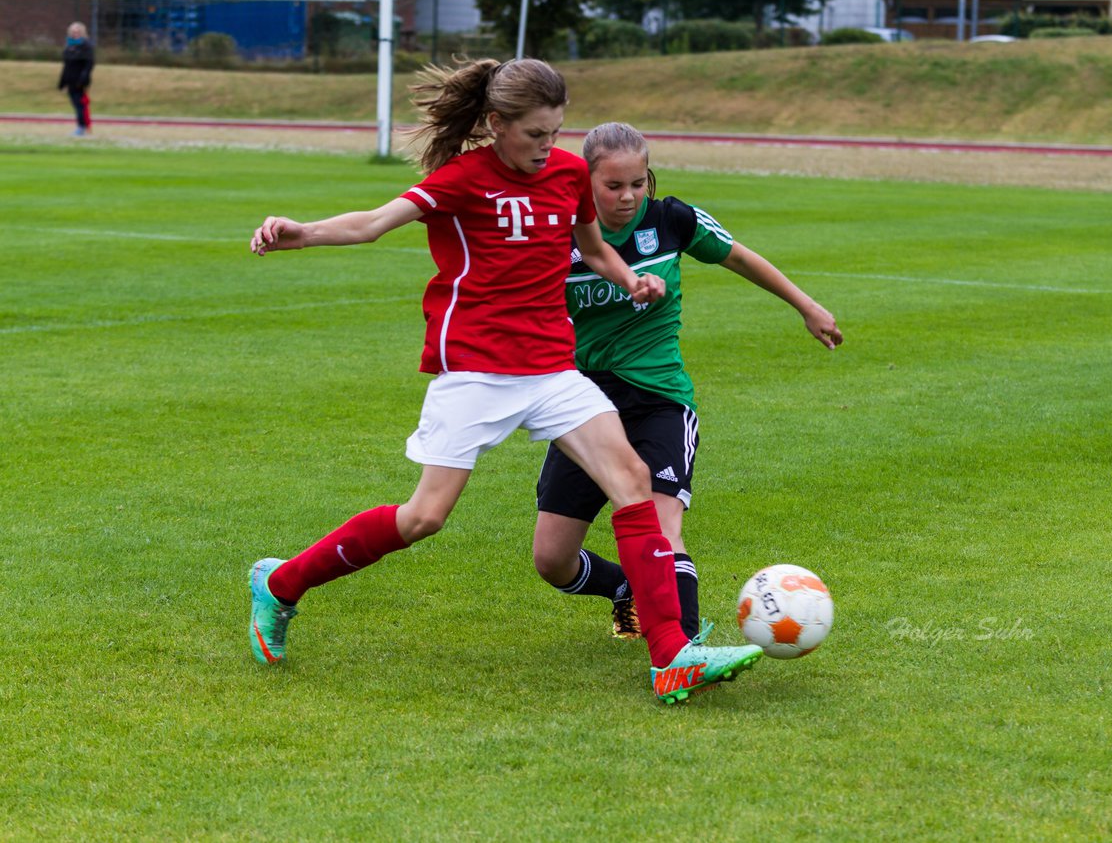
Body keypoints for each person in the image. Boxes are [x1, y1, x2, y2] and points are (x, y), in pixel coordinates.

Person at [246, 59, 762, 704]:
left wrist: (631, 280)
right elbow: (373, 223)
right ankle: (280, 584)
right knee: (424, 517)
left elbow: (595, 247)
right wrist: (302, 234)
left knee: (632, 482)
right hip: (476, 371)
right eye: (537, 135)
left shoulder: (572, 174)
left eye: (556, 133)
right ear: (497, 124)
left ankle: (672, 655)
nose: (550, 148)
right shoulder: (462, 178)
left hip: (552, 368)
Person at [532, 122, 843, 642]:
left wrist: (806, 306)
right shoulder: (557, 232)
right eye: (613, 186)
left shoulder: (672, 219)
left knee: (660, 529)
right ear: (584, 182)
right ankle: (626, 588)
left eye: (638, 182)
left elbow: (738, 256)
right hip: (582, 405)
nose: (629, 196)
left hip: (658, 400)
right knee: (552, 560)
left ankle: (685, 648)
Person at [57, 22, 94, 136]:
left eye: (77, 31)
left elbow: (89, 64)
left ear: (82, 32)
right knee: (75, 103)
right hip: (70, 79)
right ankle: (81, 126)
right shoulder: (69, 45)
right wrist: (62, 82)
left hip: (79, 80)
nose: (75, 33)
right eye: (73, 31)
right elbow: (66, 65)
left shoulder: (86, 45)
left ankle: (82, 127)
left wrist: (83, 79)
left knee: (80, 104)